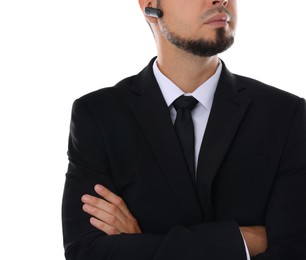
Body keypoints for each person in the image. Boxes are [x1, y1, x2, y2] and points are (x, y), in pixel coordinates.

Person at [61, 0, 306, 259]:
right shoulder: (98, 115)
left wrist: (141, 243)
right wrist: (240, 242)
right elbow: (86, 252)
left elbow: (295, 250)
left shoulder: (285, 114)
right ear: (149, 5)